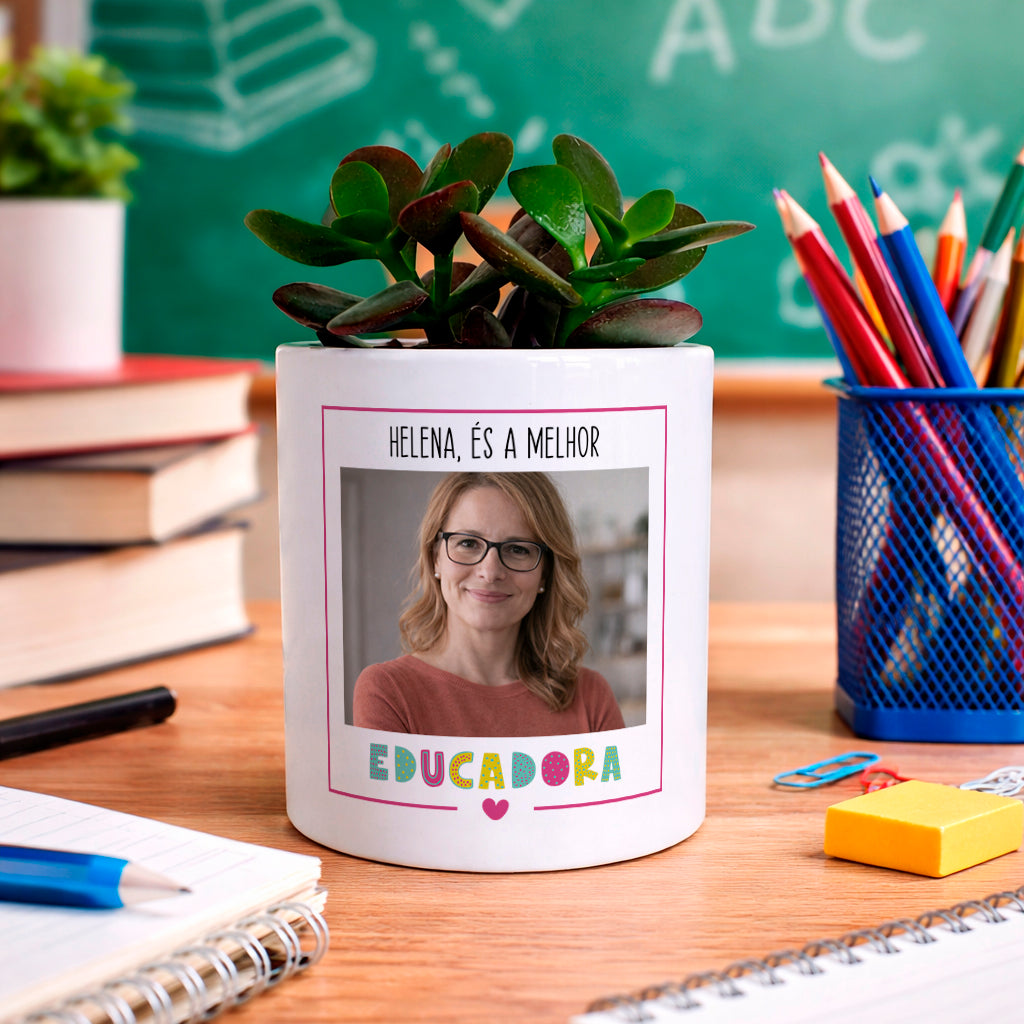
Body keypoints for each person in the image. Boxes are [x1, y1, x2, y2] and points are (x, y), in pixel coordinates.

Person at [353, 471, 625, 736]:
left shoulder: (591, 697)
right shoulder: (388, 692)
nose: (490, 572)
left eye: (518, 549)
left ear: (546, 571)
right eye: (468, 543)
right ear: (436, 557)